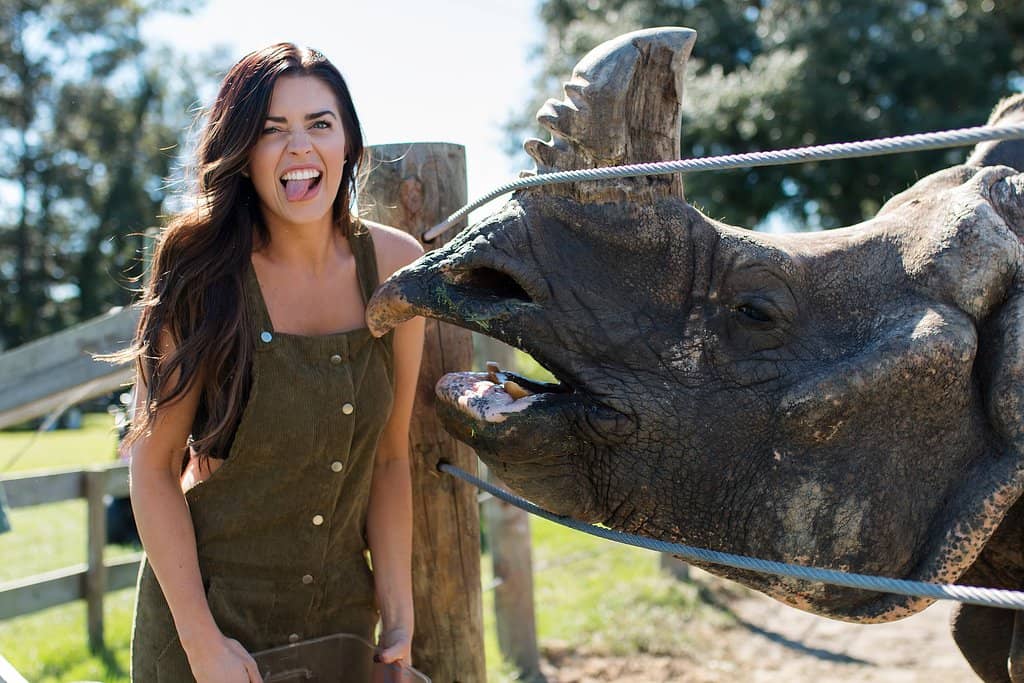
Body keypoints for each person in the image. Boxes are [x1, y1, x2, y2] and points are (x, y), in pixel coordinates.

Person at [122, 43, 425, 682]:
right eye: (271, 131)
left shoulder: (396, 269)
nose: (299, 149)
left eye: (320, 124)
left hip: (340, 622)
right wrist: (204, 647)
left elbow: (392, 456)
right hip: (207, 629)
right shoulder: (204, 272)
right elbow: (153, 469)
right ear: (242, 154)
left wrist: (396, 606)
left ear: (348, 143)